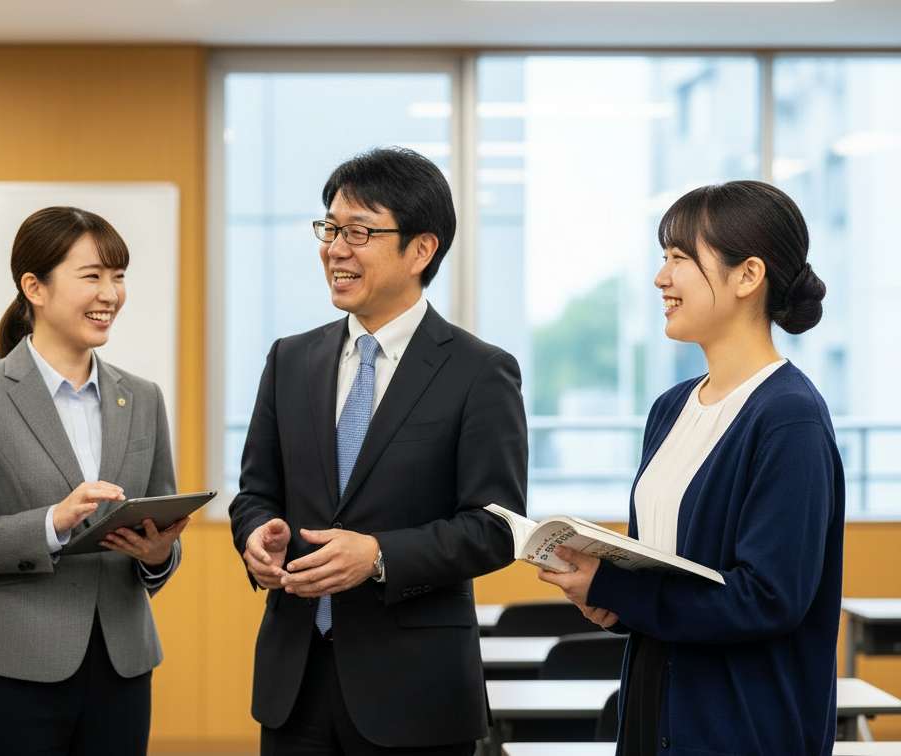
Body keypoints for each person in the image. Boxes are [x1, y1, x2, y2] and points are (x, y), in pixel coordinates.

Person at [227, 147, 529, 755]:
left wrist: (379, 555)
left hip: (415, 689)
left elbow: (496, 530)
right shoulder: (290, 359)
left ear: (422, 249)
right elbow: (256, 493)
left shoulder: (480, 371)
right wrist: (257, 536)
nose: (336, 248)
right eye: (330, 228)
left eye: (359, 231)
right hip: (296, 680)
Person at [539, 180, 843, 756]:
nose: (661, 278)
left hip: (742, 728)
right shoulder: (671, 407)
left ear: (747, 276)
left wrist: (619, 589)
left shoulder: (789, 418)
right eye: (664, 258)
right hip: (654, 715)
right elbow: (665, 573)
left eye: (681, 258)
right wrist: (608, 600)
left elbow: (768, 598)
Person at [0, 205, 186, 756]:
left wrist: (159, 553)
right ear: (34, 288)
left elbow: (162, 524)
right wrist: (52, 522)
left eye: (118, 277)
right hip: (14, 662)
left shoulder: (143, 397)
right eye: (92, 276)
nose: (111, 294)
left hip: (123, 662)